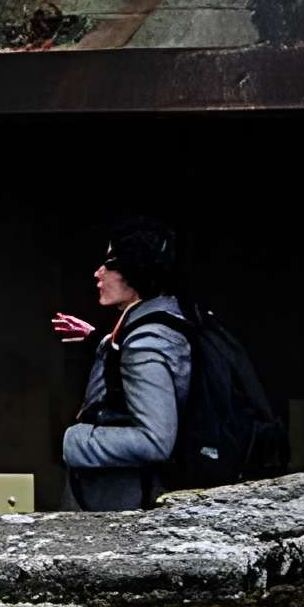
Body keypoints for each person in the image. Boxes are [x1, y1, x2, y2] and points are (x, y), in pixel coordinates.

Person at [52, 217, 193, 510]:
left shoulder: (145, 344)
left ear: (137, 270)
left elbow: (155, 440)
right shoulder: (165, 319)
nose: (98, 273)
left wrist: (74, 440)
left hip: (123, 502)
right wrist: (100, 343)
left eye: (111, 263)